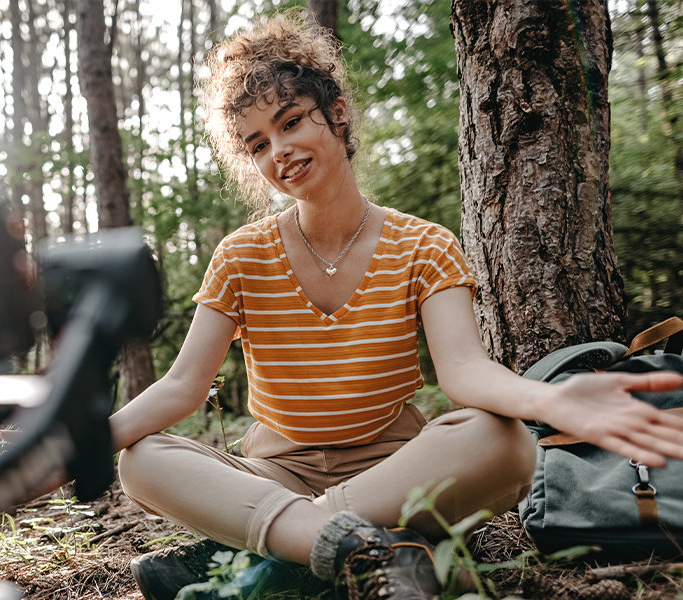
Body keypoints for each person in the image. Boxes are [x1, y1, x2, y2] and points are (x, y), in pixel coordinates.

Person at [106, 10, 683, 600]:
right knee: (140, 459)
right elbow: (181, 387)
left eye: (291, 121)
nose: (279, 150)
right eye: (259, 143)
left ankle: (287, 546)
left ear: (336, 112)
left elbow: (464, 372)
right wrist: (80, 446)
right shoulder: (241, 256)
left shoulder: (423, 245)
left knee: (507, 443)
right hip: (274, 473)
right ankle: (377, 551)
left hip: (397, 472)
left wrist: (553, 399)